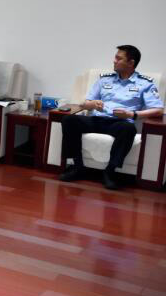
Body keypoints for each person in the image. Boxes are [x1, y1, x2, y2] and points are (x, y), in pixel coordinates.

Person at [59, 45, 163, 190]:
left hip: (119, 123)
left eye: (119, 58)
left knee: (128, 129)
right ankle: (77, 166)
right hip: (97, 120)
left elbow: (158, 110)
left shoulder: (145, 83)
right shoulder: (104, 80)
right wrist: (91, 104)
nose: (114, 61)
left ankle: (109, 172)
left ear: (131, 63)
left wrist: (132, 114)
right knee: (69, 120)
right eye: (115, 57)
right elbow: (85, 104)